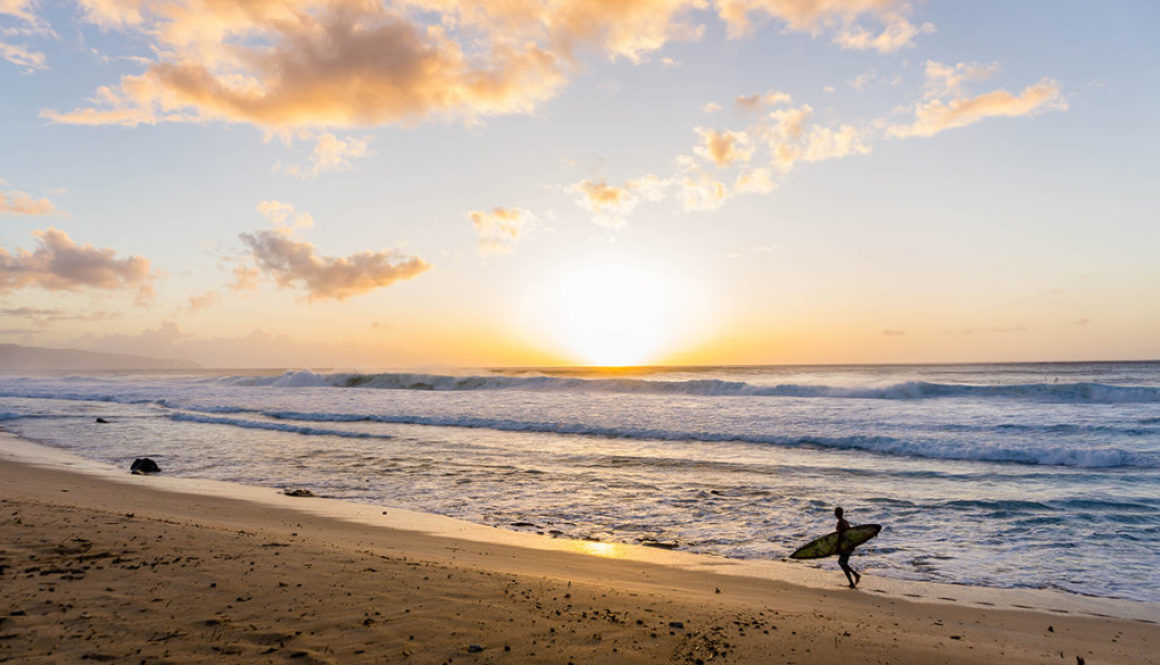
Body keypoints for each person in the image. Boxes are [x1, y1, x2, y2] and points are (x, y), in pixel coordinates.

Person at [835, 506, 861, 589]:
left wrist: (838, 548)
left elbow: (840, 537)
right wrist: (853, 544)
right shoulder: (845, 522)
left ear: (837, 514)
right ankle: (854, 577)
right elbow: (850, 533)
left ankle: (854, 579)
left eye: (836, 513)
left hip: (845, 547)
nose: (835, 514)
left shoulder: (840, 523)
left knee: (842, 563)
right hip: (849, 545)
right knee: (843, 563)